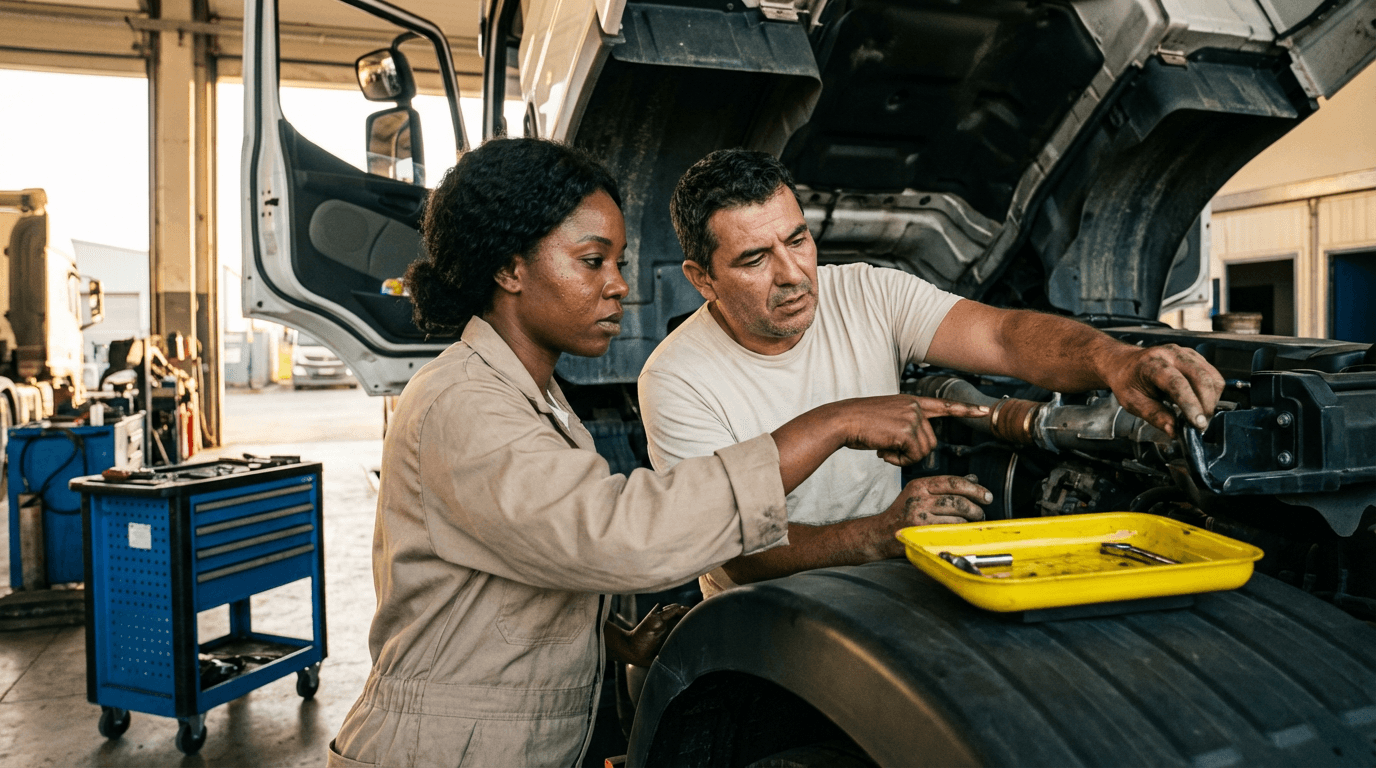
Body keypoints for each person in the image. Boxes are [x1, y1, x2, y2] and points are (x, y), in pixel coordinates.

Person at [326, 138, 989, 768]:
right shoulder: (464, 403)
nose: (618, 285)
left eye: (617, 262)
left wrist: (605, 638)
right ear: (509, 268)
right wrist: (830, 424)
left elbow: (517, 564)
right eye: (592, 261)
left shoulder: (530, 396)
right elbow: (617, 536)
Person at [638, 149, 1226, 598]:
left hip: (880, 588)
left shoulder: (867, 292)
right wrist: (878, 532)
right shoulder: (677, 378)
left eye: (798, 240)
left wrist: (1113, 358)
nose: (793, 274)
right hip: (757, 619)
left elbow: (1002, 335)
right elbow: (734, 554)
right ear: (702, 278)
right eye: (754, 259)